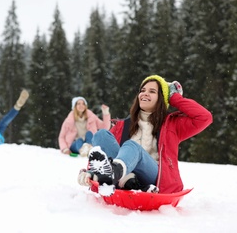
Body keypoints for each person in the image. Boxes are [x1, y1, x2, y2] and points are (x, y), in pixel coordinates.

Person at [77, 75, 212, 195]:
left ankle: (116, 174)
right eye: (142, 90)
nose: (145, 94)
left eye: (152, 91)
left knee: (132, 146)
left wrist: (174, 98)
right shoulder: (122, 126)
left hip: (154, 176)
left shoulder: (172, 125)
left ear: (162, 98)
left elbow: (204, 117)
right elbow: (102, 156)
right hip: (123, 173)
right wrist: (91, 173)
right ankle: (123, 179)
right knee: (101, 135)